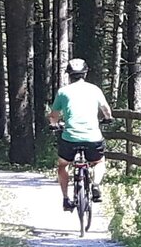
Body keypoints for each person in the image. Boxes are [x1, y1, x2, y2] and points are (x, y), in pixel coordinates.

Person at [48, 58, 113, 211]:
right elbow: (106, 110)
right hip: (93, 137)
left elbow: (54, 115)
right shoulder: (94, 90)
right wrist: (108, 118)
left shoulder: (63, 92)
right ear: (85, 73)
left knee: (63, 165)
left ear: (69, 74)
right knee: (99, 161)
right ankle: (95, 185)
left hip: (70, 137)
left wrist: (54, 125)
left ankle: (66, 199)